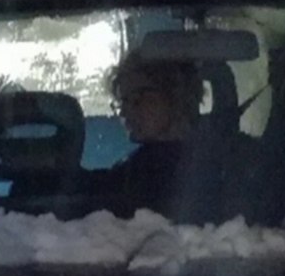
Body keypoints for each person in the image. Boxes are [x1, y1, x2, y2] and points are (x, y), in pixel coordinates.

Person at [96, 53, 250, 224]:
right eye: (122, 102)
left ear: (176, 95)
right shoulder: (139, 166)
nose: (124, 112)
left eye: (137, 99)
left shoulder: (234, 161)